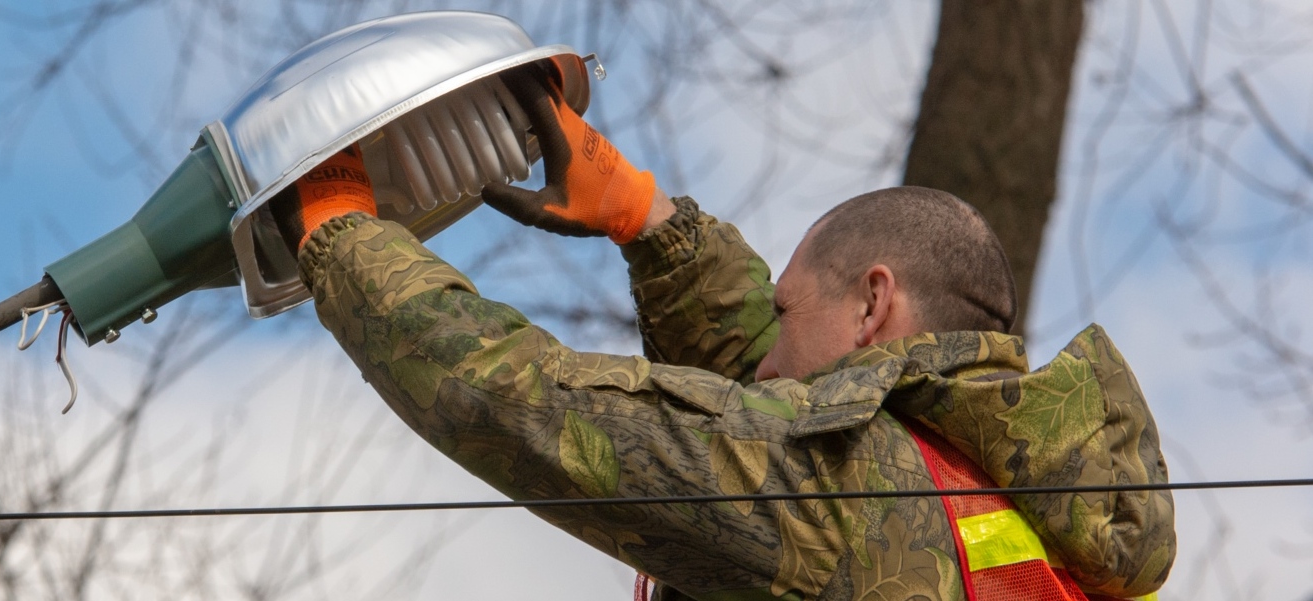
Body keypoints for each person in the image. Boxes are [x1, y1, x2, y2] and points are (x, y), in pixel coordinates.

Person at [267, 63, 1173, 600]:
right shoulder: (1009, 512)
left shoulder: (846, 489)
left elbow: (525, 404)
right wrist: (648, 218)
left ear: (873, 304)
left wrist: (341, 232)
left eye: (785, 309)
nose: (766, 354)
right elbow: (768, 384)